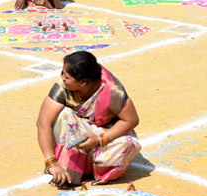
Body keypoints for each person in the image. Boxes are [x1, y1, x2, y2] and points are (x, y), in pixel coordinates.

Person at [36, 50, 140, 187]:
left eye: (67, 77)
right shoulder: (63, 87)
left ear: (83, 82)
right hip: (76, 132)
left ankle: (94, 168)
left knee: (129, 143)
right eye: (62, 74)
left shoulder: (112, 91)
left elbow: (131, 120)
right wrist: (51, 163)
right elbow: (43, 123)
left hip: (102, 134)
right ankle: (71, 167)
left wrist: (100, 139)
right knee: (64, 115)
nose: (62, 78)